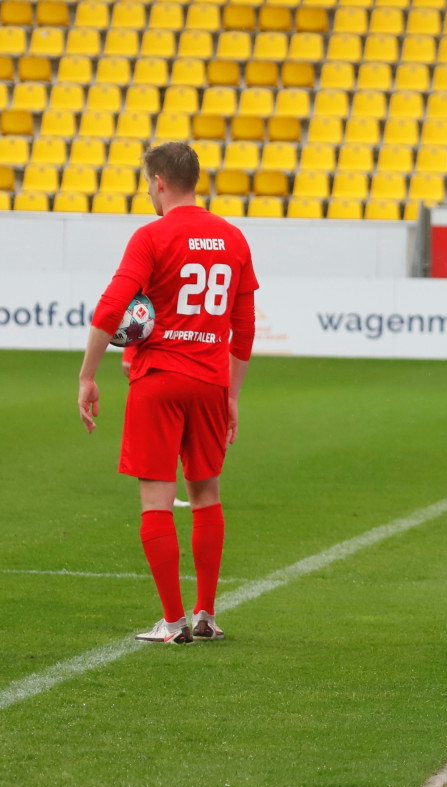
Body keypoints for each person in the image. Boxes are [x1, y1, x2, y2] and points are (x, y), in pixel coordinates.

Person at [77, 141, 258, 645]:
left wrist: (87, 375)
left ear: (159, 182)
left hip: (158, 379)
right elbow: (243, 328)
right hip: (210, 381)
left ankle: (174, 622)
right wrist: (231, 395)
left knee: (156, 499)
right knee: (206, 495)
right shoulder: (233, 237)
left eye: (148, 185)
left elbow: (112, 306)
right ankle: (206, 616)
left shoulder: (151, 236)